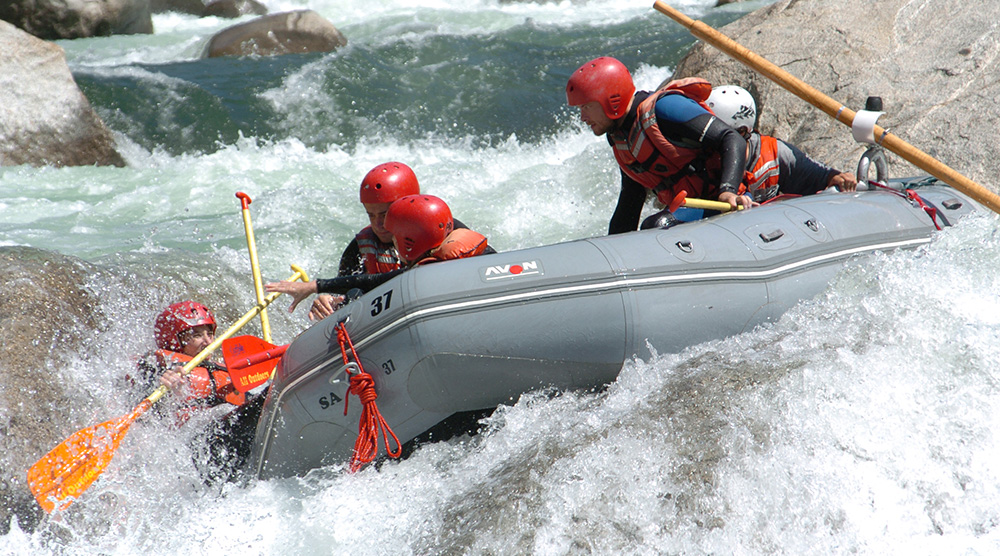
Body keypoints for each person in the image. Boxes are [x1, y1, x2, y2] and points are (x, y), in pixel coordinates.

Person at [566, 56, 755, 235]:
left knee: (655, 227)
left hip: (728, 203)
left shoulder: (665, 108)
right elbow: (631, 201)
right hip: (692, 210)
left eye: (586, 107)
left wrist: (727, 192)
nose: (583, 117)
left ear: (610, 100)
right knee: (637, 229)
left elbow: (731, 138)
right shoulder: (623, 140)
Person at [266, 194, 494, 310]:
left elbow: (380, 280)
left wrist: (315, 286)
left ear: (408, 241)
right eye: (371, 215)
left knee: (356, 295)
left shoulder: (427, 270)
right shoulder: (461, 245)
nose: (380, 227)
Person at [131, 301, 262, 483]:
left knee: (263, 401)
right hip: (199, 448)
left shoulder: (222, 368)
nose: (208, 341)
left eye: (210, 334)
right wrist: (163, 383)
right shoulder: (157, 366)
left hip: (229, 438)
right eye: (197, 335)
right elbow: (139, 406)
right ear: (174, 339)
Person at [706, 85, 857, 202]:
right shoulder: (697, 155)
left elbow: (821, 178)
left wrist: (839, 178)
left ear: (742, 132)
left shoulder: (774, 152)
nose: (707, 137)